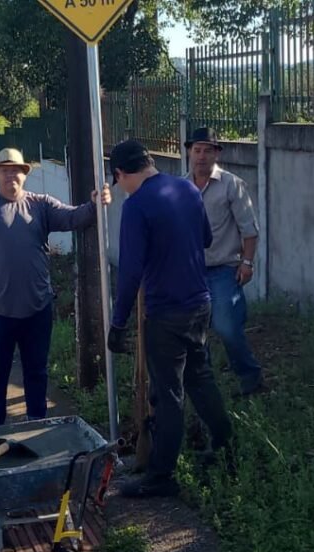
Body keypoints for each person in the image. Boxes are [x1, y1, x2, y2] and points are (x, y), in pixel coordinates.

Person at [107, 139, 232, 498]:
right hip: (199, 304)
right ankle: (225, 445)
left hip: (166, 314)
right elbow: (206, 238)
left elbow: (129, 272)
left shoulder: (136, 206)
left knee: (169, 393)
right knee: (200, 378)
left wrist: (118, 325)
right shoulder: (187, 188)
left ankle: (161, 477)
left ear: (121, 174)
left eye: (118, 182)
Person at [0, 147, 111, 426]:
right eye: (4, 170)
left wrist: (95, 204)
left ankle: (36, 424)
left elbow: (74, 217)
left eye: (16, 169)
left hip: (37, 307)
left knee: (36, 371)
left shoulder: (41, 205)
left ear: (25, 174)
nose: (10, 174)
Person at [185, 127, 265, 396]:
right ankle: (205, 385)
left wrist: (248, 262)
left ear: (217, 153)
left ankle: (251, 379)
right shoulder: (182, 187)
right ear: (189, 152)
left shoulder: (232, 185)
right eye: (197, 150)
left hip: (223, 269)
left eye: (208, 150)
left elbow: (249, 229)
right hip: (191, 272)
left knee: (227, 327)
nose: (202, 156)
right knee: (196, 332)